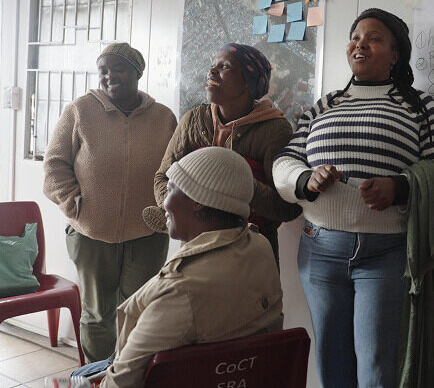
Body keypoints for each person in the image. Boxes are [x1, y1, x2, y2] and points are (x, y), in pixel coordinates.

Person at [273, 8, 434, 387]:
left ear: (395, 55)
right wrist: (307, 178)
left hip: (387, 252)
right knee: (332, 362)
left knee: (377, 367)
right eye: (356, 36)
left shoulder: (419, 106)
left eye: (374, 38)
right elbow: (285, 162)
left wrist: (400, 186)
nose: (361, 43)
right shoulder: (324, 104)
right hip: (320, 251)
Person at [62, 147, 284, 388]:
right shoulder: (260, 248)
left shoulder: (181, 290)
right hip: (237, 377)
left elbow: (122, 381)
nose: (164, 204)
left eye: (169, 190)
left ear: (197, 201)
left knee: (75, 379)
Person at [43, 43, 177, 363]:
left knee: (139, 312)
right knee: (97, 315)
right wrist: (77, 207)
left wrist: (168, 211)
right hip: (91, 235)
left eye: (118, 68)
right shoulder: (80, 110)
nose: (108, 76)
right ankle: (97, 376)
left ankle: (130, 375)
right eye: (103, 69)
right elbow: (54, 166)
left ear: (137, 74)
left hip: (148, 233)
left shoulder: (163, 117)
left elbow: (176, 168)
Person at [147, 43, 301, 266]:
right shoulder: (193, 120)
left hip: (250, 254)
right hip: (196, 250)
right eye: (212, 66)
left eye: (224, 66)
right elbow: (162, 177)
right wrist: (169, 207)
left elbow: (287, 207)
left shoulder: (275, 130)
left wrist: (239, 184)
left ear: (248, 81)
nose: (212, 71)